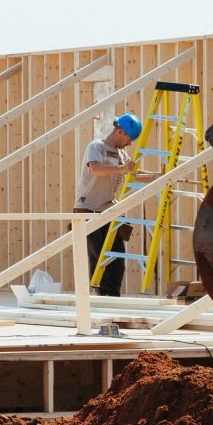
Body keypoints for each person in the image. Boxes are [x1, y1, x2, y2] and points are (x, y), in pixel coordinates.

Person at [72, 113, 142, 297]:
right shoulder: (96, 147)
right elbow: (95, 169)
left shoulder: (122, 154)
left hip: (109, 211)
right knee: (98, 258)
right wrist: (121, 169)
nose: (129, 144)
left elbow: (133, 174)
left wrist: (159, 175)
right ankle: (100, 297)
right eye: (129, 139)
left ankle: (113, 297)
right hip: (88, 209)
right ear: (120, 131)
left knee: (117, 258)